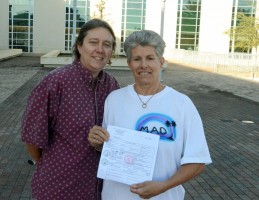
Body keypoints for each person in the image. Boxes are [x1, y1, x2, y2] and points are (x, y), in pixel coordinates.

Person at [88, 30, 212, 200]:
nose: (143, 65)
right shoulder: (114, 99)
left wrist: (163, 187)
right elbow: (110, 149)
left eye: (150, 58)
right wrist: (97, 143)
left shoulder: (182, 104)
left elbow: (197, 161)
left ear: (161, 62)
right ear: (129, 63)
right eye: (137, 59)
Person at [21, 18, 120, 200]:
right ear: (79, 46)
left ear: (111, 52)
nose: (100, 49)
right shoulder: (54, 83)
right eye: (93, 42)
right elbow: (32, 139)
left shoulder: (111, 85)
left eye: (107, 44)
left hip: (100, 190)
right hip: (59, 189)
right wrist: (51, 166)